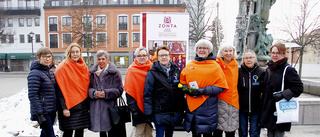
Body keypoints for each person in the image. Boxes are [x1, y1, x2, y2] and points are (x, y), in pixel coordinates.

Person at [180, 39, 228, 137]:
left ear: (209, 50)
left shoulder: (215, 66)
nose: (202, 50)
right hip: (193, 107)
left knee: (207, 134)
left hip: (208, 107)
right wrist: (187, 90)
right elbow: (182, 81)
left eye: (205, 48)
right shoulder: (190, 65)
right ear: (196, 50)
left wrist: (204, 91)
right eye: (199, 48)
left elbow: (221, 86)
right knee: (195, 133)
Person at [258, 43, 303, 137]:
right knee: (270, 133)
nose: (275, 55)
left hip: (280, 108)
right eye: (273, 52)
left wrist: (283, 94)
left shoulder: (288, 70)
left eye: (278, 53)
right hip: (269, 109)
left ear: (283, 54)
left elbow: (299, 88)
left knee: (278, 133)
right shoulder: (269, 69)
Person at [143, 46, 185, 137]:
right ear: (158, 57)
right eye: (161, 55)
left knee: (170, 134)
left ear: (170, 56)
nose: (164, 57)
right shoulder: (152, 73)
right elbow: (148, 94)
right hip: (160, 112)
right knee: (160, 135)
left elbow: (180, 91)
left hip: (173, 112)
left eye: (166, 55)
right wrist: (148, 114)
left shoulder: (176, 71)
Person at [55, 43, 91, 137]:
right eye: (73, 52)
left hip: (82, 105)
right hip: (69, 106)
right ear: (69, 53)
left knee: (80, 132)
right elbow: (59, 90)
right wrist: (64, 108)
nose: (75, 54)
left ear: (80, 53)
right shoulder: (62, 67)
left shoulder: (83, 66)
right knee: (68, 132)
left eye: (77, 52)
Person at [88, 50, 124, 137]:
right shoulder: (91, 73)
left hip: (110, 108)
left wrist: (105, 93)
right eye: (99, 59)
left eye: (103, 59)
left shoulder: (115, 73)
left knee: (112, 132)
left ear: (108, 60)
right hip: (97, 108)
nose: (101, 61)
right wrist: (93, 93)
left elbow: (119, 90)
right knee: (102, 132)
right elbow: (88, 88)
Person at [28, 47, 56, 137]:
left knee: (45, 135)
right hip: (43, 112)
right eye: (44, 57)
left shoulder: (50, 72)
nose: (47, 59)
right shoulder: (35, 73)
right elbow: (33, 95)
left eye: (49, 56)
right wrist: (39, 114)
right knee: (50, 135)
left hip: (50, 110)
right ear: (38, 58)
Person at [125, 47, 153, 137]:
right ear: (135, 57)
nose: (142, 57)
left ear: (147, 56)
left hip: (150, 105)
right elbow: (129, 91)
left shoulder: (152, 68)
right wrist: (133, 109)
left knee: (149, 132)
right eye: (139, 55)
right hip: (137, 106)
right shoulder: (131, 70)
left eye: (144, 55)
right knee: (139, 132)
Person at [214, 43, 239, 137]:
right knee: (218, 130)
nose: (228, 53)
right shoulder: (216, 64)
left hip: (233, 101)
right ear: (221, 52)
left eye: (230, 51)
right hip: (219, 100)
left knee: (231, 130)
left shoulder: (236, 65)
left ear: (233, 52)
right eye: (225, 51)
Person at [238, 49, 265, 137]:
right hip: (242, 108)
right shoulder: (239, 72)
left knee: (254, 133)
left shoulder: (261, 72)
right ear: (243, 59)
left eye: (251, 57)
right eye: (246, 58)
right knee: (242, 132)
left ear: (255, 59)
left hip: (256, 108)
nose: (248, 60)